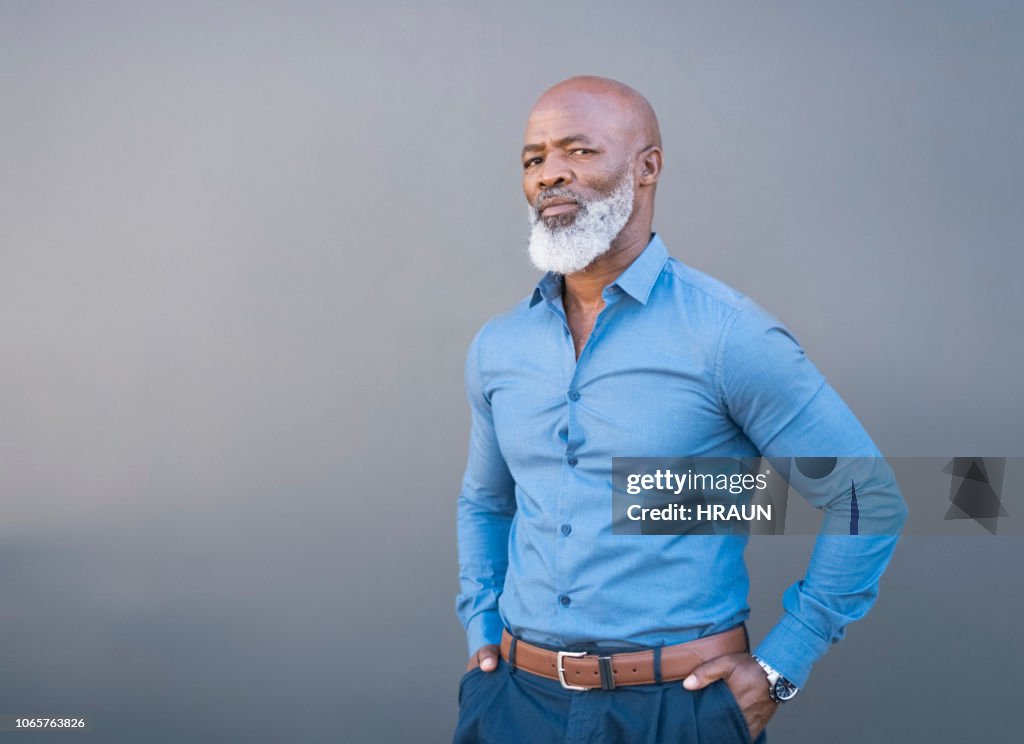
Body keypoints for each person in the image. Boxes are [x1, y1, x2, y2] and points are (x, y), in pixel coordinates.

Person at [453, 76, 907, 744]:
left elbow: (867, 495)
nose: (551, 173)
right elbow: (486, 503)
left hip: (677, 713)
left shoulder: (728, 337)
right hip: (514, 707)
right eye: (534, 159)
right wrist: (480, 630)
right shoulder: (499, 346)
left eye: (579, 151)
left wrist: (784, 665)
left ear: (647, 167)